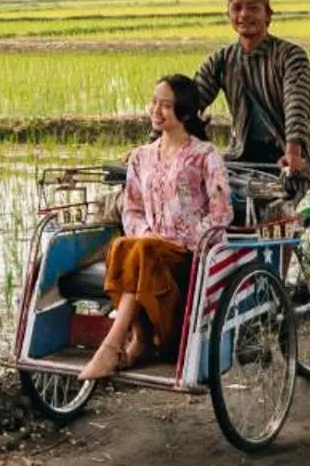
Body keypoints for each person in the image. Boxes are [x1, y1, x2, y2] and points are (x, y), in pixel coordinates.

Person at [78, 74, 231, 380]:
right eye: (154, 102)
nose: (155, 110)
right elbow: (132, 208)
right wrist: (146, 232)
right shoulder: (141, 157)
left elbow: (222, 212)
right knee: (125, 245)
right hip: (148, 250)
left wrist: (182, 238)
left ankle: (113, 345)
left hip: (188, 256)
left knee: (142, 249)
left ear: (185, 112)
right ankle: (139, 337)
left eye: (165, 105)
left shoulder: (205, 155)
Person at [194, 0, 310, 188]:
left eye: (253, 8)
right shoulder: (221, 60)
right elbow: (188, 102)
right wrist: (154, 146)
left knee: (273, 210)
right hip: (243, 156)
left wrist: (293, 151)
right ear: (228, 15)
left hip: (289, 156)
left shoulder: (291, 56)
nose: (244, 14)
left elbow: (296, 104)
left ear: (268, 15)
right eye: (236, 8)